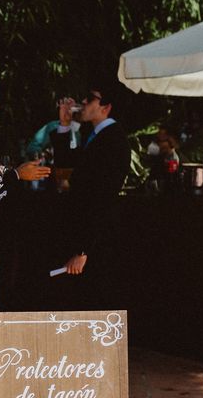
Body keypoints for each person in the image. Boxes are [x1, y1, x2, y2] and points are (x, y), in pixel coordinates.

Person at [60, 86, 131, 276]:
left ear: (106, 107)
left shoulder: (113, 140)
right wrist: (65, 124)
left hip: (96, 242)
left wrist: (84, 249)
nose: (83, 102)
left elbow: (102, 196)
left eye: (91, 98)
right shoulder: (95, 135)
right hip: (84, 233)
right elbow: (67, 162)